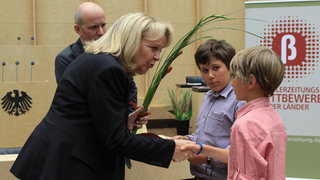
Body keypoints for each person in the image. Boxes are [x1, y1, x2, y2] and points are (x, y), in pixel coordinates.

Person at [10, 12, 193, 180]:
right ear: (131, 40)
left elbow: (90, 119)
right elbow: (115, 141)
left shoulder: (98, 60)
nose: (158, 57)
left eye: (160, 50)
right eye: (153, 48)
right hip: (69, 164)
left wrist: (124, 121)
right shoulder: (108, 69)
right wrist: (170, 149)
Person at [182, 46, 287, 179]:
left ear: (251, 81)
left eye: (235, 77)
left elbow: (244, 173)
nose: (231, 83)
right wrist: (200, 148)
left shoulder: (244, 123)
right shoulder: (275, 118)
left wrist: (204, 154)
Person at [170, 39, 246, 180]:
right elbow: (205, 135)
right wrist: (186, 138)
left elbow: (241, 150)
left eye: (216, 68)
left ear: (230, 67)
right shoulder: (208, 96)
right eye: (204, 70)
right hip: (199, 175)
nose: (210, 75)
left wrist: (208, 159)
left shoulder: (239, 99)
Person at [54, 2, 138, 112]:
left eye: (103, 25)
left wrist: (129, 117)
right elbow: (74, 101)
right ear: (78, 30)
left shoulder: (115, 52)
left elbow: (129, 88)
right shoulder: (66, 59)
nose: (101, 32)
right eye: (93, 27)